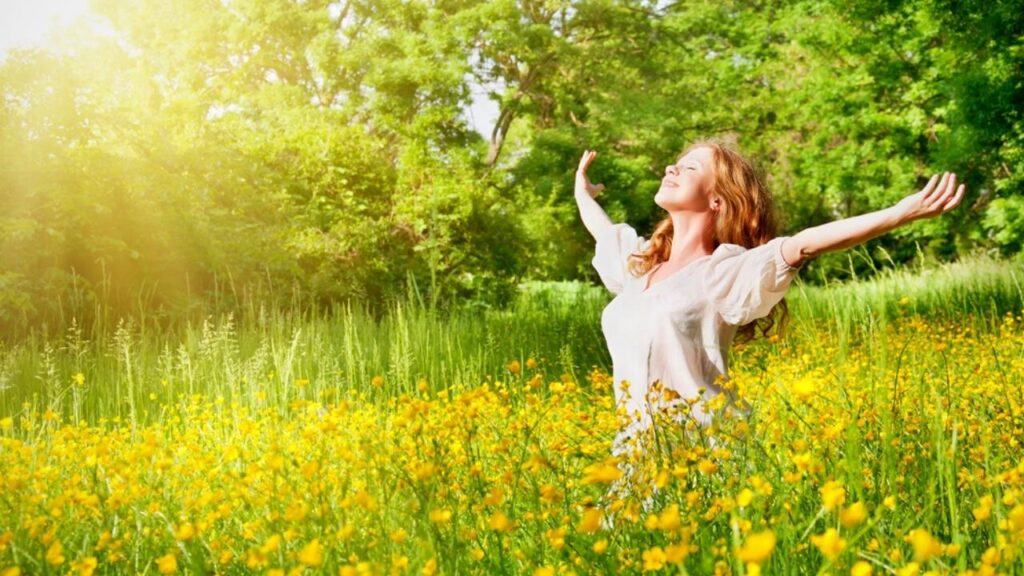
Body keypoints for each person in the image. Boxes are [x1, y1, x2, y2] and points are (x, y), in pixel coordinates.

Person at [575, 138, 965, 505]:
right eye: (675, 164)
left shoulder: (723, 271)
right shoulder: (641, 269)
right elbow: (605, 232)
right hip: (635, 454)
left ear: (716, 200)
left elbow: (803, 244)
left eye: (689, 168)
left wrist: (898, 214)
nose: (671, 169)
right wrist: (582, 191)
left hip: (704, 453)